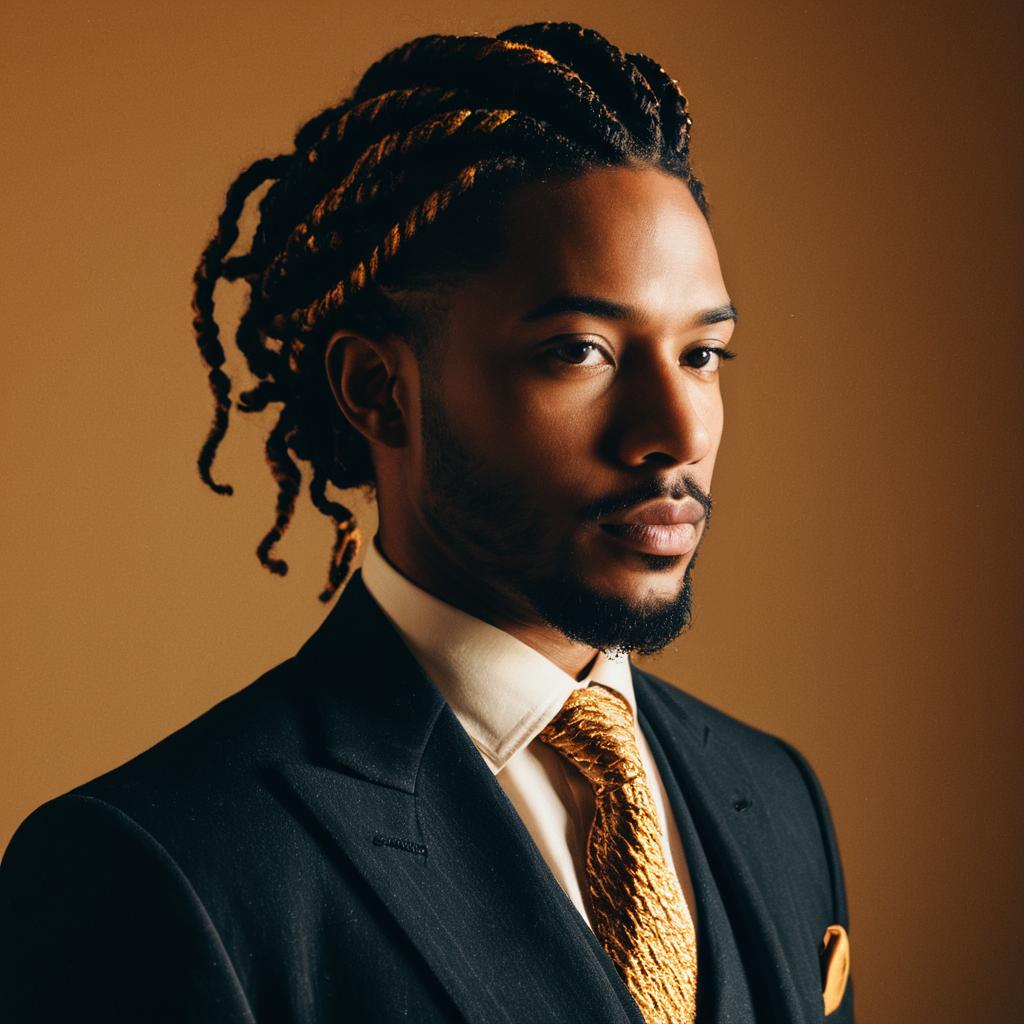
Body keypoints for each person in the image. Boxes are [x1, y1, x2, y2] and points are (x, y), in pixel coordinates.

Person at [0, 21, 853, 1023]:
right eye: (579, 350)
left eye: (701, 354)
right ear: (377, 391)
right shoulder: (151, 864)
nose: (674, 430)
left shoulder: (777, 795)